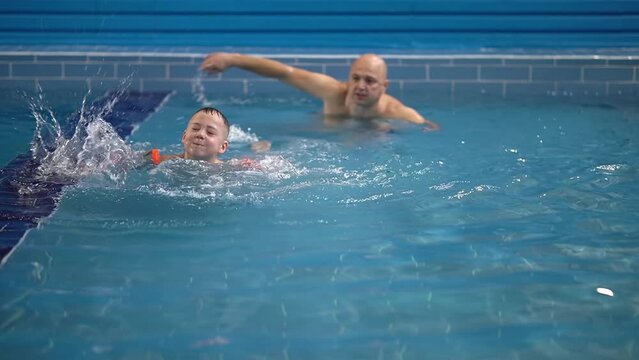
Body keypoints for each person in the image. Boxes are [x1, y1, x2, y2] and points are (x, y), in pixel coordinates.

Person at [200, 52, 440, 131]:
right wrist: (232, 59)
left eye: (370, 81)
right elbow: (283, 72)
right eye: (355, 78)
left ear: (384, 87)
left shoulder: (398, 112)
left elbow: (429, 127)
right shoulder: (332, 92)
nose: (360, 86)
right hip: (326, 130)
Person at [146, 107, 269, 165]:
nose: (200, 134)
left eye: (210, 132)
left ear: (223, 147)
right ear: (184, 137)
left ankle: (258, 146)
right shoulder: (164, 161)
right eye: (195, 129)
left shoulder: (228, 168)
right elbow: (134, 160)